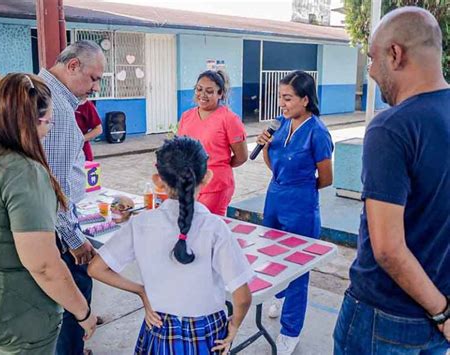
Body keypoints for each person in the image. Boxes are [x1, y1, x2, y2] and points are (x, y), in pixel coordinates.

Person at [333, 7, 450, 354]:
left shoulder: (392, 127)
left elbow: (388, 249)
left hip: (384, 319)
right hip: (437, 314)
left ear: (395, 54)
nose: (369, 70)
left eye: (371, 58)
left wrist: (441, 313)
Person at [88, 136, 253, 354]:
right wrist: (234, 326)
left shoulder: (140, 224)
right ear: (208, 176)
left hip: (159, 327)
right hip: (208, 332)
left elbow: (95, 268)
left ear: (158, 180)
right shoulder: (215, 227)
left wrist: (141, 291)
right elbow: (242, 297)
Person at [0, 73, 97, 354]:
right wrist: (83, 312)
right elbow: (44, 265)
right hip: (17, 310)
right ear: (33, 121)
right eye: (49, 122)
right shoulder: (23, 172)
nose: (48, 131)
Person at [256, 71, 333, 354]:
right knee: (273, 255)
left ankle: (291, 331)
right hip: (274, 196)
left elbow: (326, 177)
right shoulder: (280, 125)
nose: (282, 103)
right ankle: (280, 294)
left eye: (287, 98)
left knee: (298, 267)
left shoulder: (318, 132)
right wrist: (264, 144)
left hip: (301, 204)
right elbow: (274, 162)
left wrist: (301, 188)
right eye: (280, 97)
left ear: (305, 99)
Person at [39, 40, 105, 355]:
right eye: (93, 78)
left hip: (46, 220)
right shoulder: (58, 109)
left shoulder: (43, 92)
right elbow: (55, 186)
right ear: (73, 65)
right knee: (74, 293)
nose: (94, 88)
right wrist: (73, 238)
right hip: (55, 227)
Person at [178, 70, 248, 215]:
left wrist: (217, 166)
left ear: (220, 93)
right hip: (189, 184)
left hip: (216, 187)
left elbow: (241, 157)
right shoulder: (186, 116)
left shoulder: (229, 119)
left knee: (206, 228)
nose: (203, 95)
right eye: (199, 89)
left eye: (209, 91)